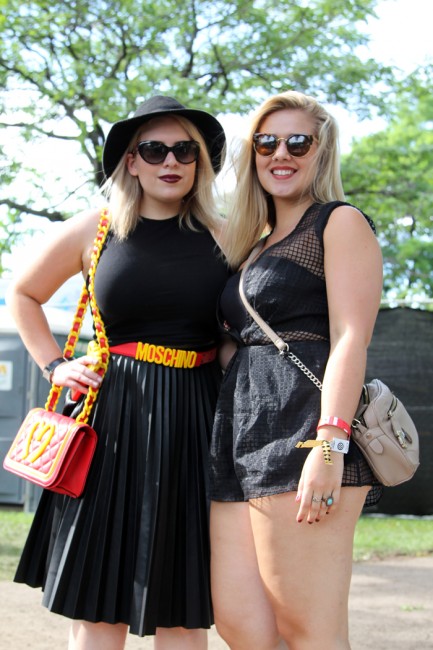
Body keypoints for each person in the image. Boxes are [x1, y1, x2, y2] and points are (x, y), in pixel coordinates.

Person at [8, 95, 230, 650]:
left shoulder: (228, 234)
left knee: (184, 603)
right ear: (130, 161)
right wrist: (55, 365)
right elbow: (24, 293)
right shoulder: (97, 228)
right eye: (153, 150)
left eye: (185, 150)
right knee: (97, 597)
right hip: (110, 417)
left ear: (199, 162)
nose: (170, 161)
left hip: (197, 419)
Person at [209, 90, 383, 650]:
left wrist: (330, 445)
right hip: (238, 436)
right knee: (242, 623)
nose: (280, 153)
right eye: (266, 142)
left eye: (297, 142)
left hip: (304, 432)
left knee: (310, 630)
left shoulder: (338, 222)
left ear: (321, 151)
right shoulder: (252, 246)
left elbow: (352, 336)